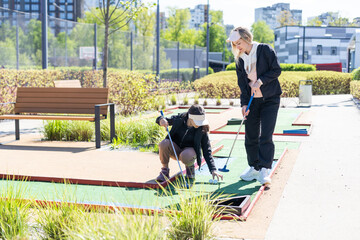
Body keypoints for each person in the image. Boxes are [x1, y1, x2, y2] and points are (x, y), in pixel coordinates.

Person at [227, 27, 282, 185]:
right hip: (252, 100)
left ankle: (264, 169)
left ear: (247, 38)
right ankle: (254, 167)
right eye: (234, 44)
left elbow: (276, 70)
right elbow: (242, 85)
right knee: (250, 135)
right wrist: (244, 104)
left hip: (270, 99)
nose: (238, 46)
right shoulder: (240, 59)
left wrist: (261, 81)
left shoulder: (264, 50)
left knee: (266, 134)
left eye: (239, 42)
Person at [155, 104, 223, 183]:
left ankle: (190, 166)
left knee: (186, 155)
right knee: (164, 143)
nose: (200, 124)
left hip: (188, 154)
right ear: (190, 118)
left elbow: (207, 150)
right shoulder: (179, 119)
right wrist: (161, 120)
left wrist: (213, 170)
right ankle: (165, 172)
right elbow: (161, 119)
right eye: (198, 121)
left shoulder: (202, 129)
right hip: (175, 149)